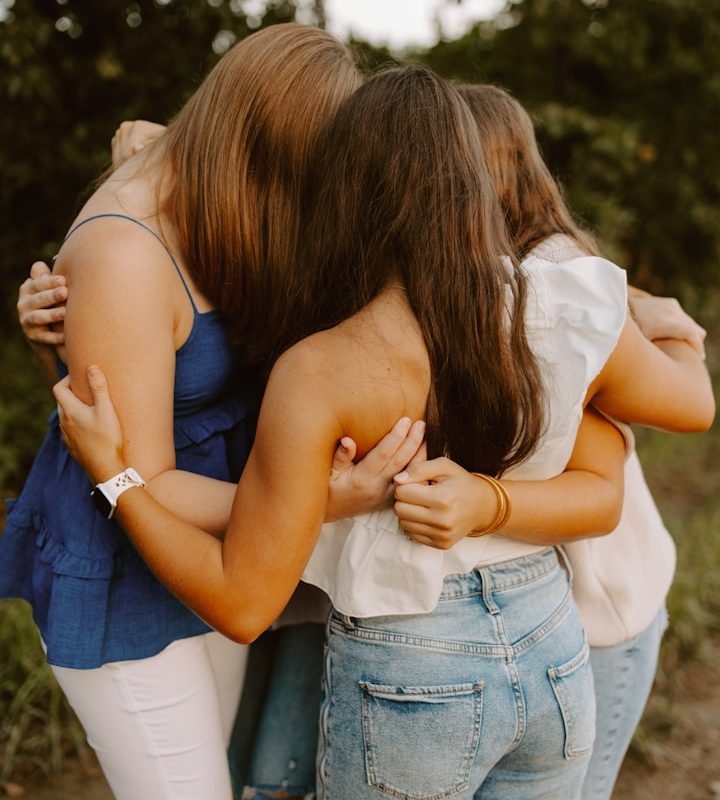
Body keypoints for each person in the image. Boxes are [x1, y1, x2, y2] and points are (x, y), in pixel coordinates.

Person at [54, 66, 713, 799]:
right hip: (552, 646)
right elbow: (641, 451)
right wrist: (679, 328)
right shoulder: (568, 304)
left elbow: (241, 604)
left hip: (416, 663)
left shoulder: (324, 368)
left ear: (339, 192)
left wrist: (114, 474)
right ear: (471, 173)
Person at [2, 24, 428, 800]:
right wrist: (310, 504)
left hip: (218, 545)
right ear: (262, 149)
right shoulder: (126, 255)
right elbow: (133, 472)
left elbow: (151, 137)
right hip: (123, 560)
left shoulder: (210, 184)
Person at [419, 83, 702, 799]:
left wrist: (679, 333)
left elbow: (693, 408)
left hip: (602, 603)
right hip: (527, 612)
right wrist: (672, 326)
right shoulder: (473, 282)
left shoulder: (561, 278)